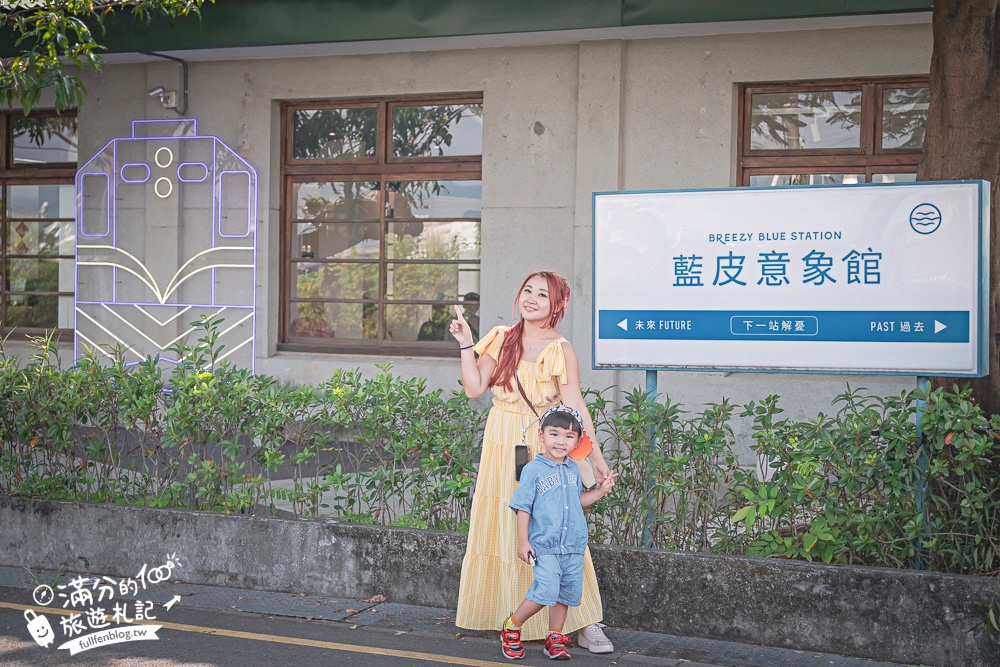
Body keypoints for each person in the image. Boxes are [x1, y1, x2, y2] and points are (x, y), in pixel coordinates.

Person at [449, 269, 616, 653]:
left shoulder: (561, 349)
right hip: (500, 442)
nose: (532, 299)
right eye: (527, 291)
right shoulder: (502, 339)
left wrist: (596, 458)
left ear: (556, 305)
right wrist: (466, 343)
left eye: (542, 295)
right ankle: (508, 615)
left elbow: (574, 408)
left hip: (543, 448)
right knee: (505, 526)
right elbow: (475, 388)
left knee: (560, 526)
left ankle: (585, 619)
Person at [502, 405, 617, 660]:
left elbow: (577, 501)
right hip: (545, 544)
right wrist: (523, 542)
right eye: (554, 434)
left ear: (577, 441)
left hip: (573, 545)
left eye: (568, 436)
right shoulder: (533, 469)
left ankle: (555, 636)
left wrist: (600, 491)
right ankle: (512, 626)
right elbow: (523, 507)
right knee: (547, 590)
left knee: (564, 593)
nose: (560, 441)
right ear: (542, 436)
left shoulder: (573, 469)